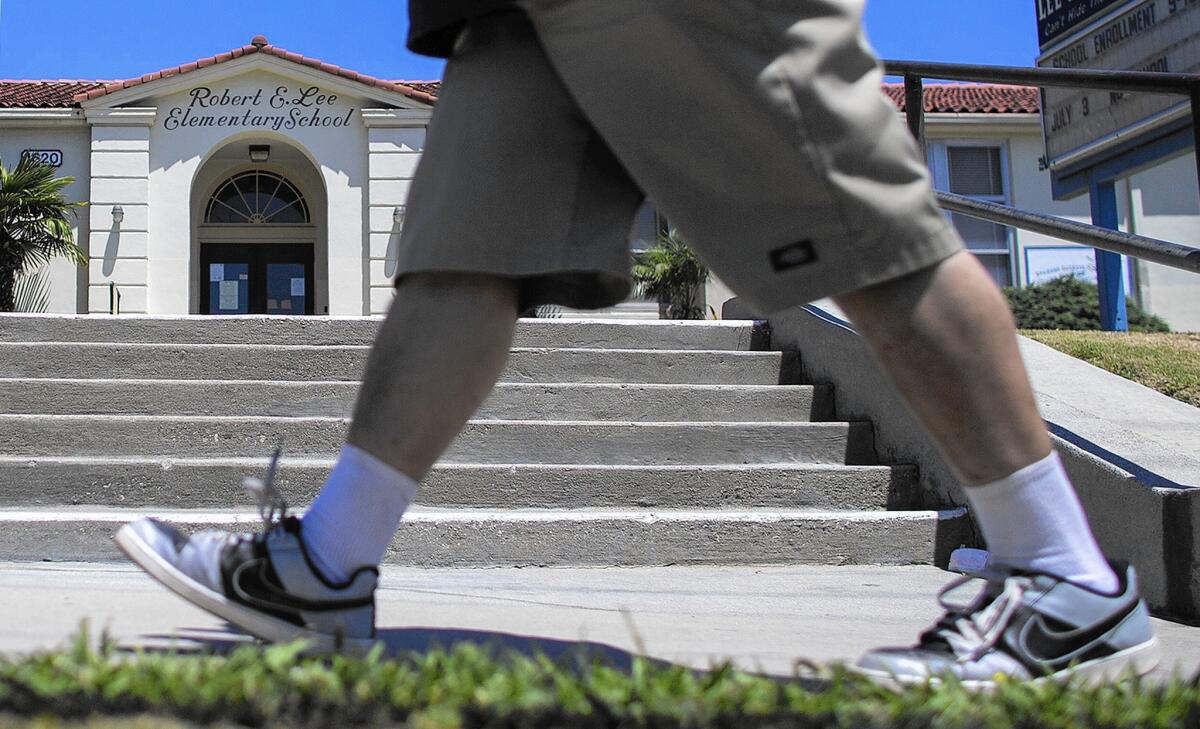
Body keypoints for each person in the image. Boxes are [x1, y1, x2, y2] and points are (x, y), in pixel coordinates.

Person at [117, 0, 1160, 687]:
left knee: (860, 218)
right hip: (509, 11)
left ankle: (1060, 571)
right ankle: (327, 564)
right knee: (465, 250)